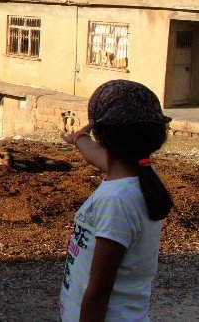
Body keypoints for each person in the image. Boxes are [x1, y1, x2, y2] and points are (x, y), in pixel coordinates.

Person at [59, 80, 174, 321]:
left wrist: (88, 130)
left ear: (103, 136)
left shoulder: (117, 201)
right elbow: (92, 153)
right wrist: (79, 138)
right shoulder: (141, 174)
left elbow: (99, 292)